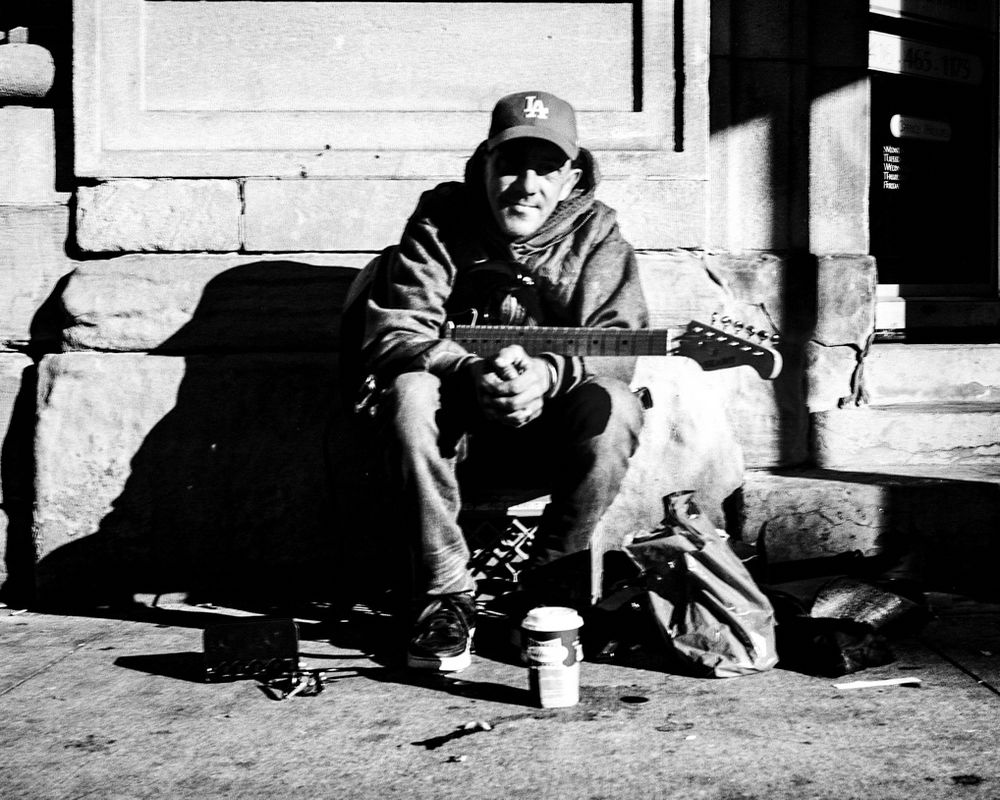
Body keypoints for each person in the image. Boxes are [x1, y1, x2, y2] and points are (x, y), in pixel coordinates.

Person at [353, 90, 649, 672]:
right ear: (483, 167)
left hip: (549, 437)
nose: (527, 184)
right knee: (411, 392)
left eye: (547, 169)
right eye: (510, 165)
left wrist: (545, 373)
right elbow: (394, 333)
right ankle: (443, 598)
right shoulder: (440, 221)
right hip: (453, 434)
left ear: (572, 178)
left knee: (614, 406)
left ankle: (547, 588)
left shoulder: (599, 237)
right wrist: (464, 368)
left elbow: (617, 346)